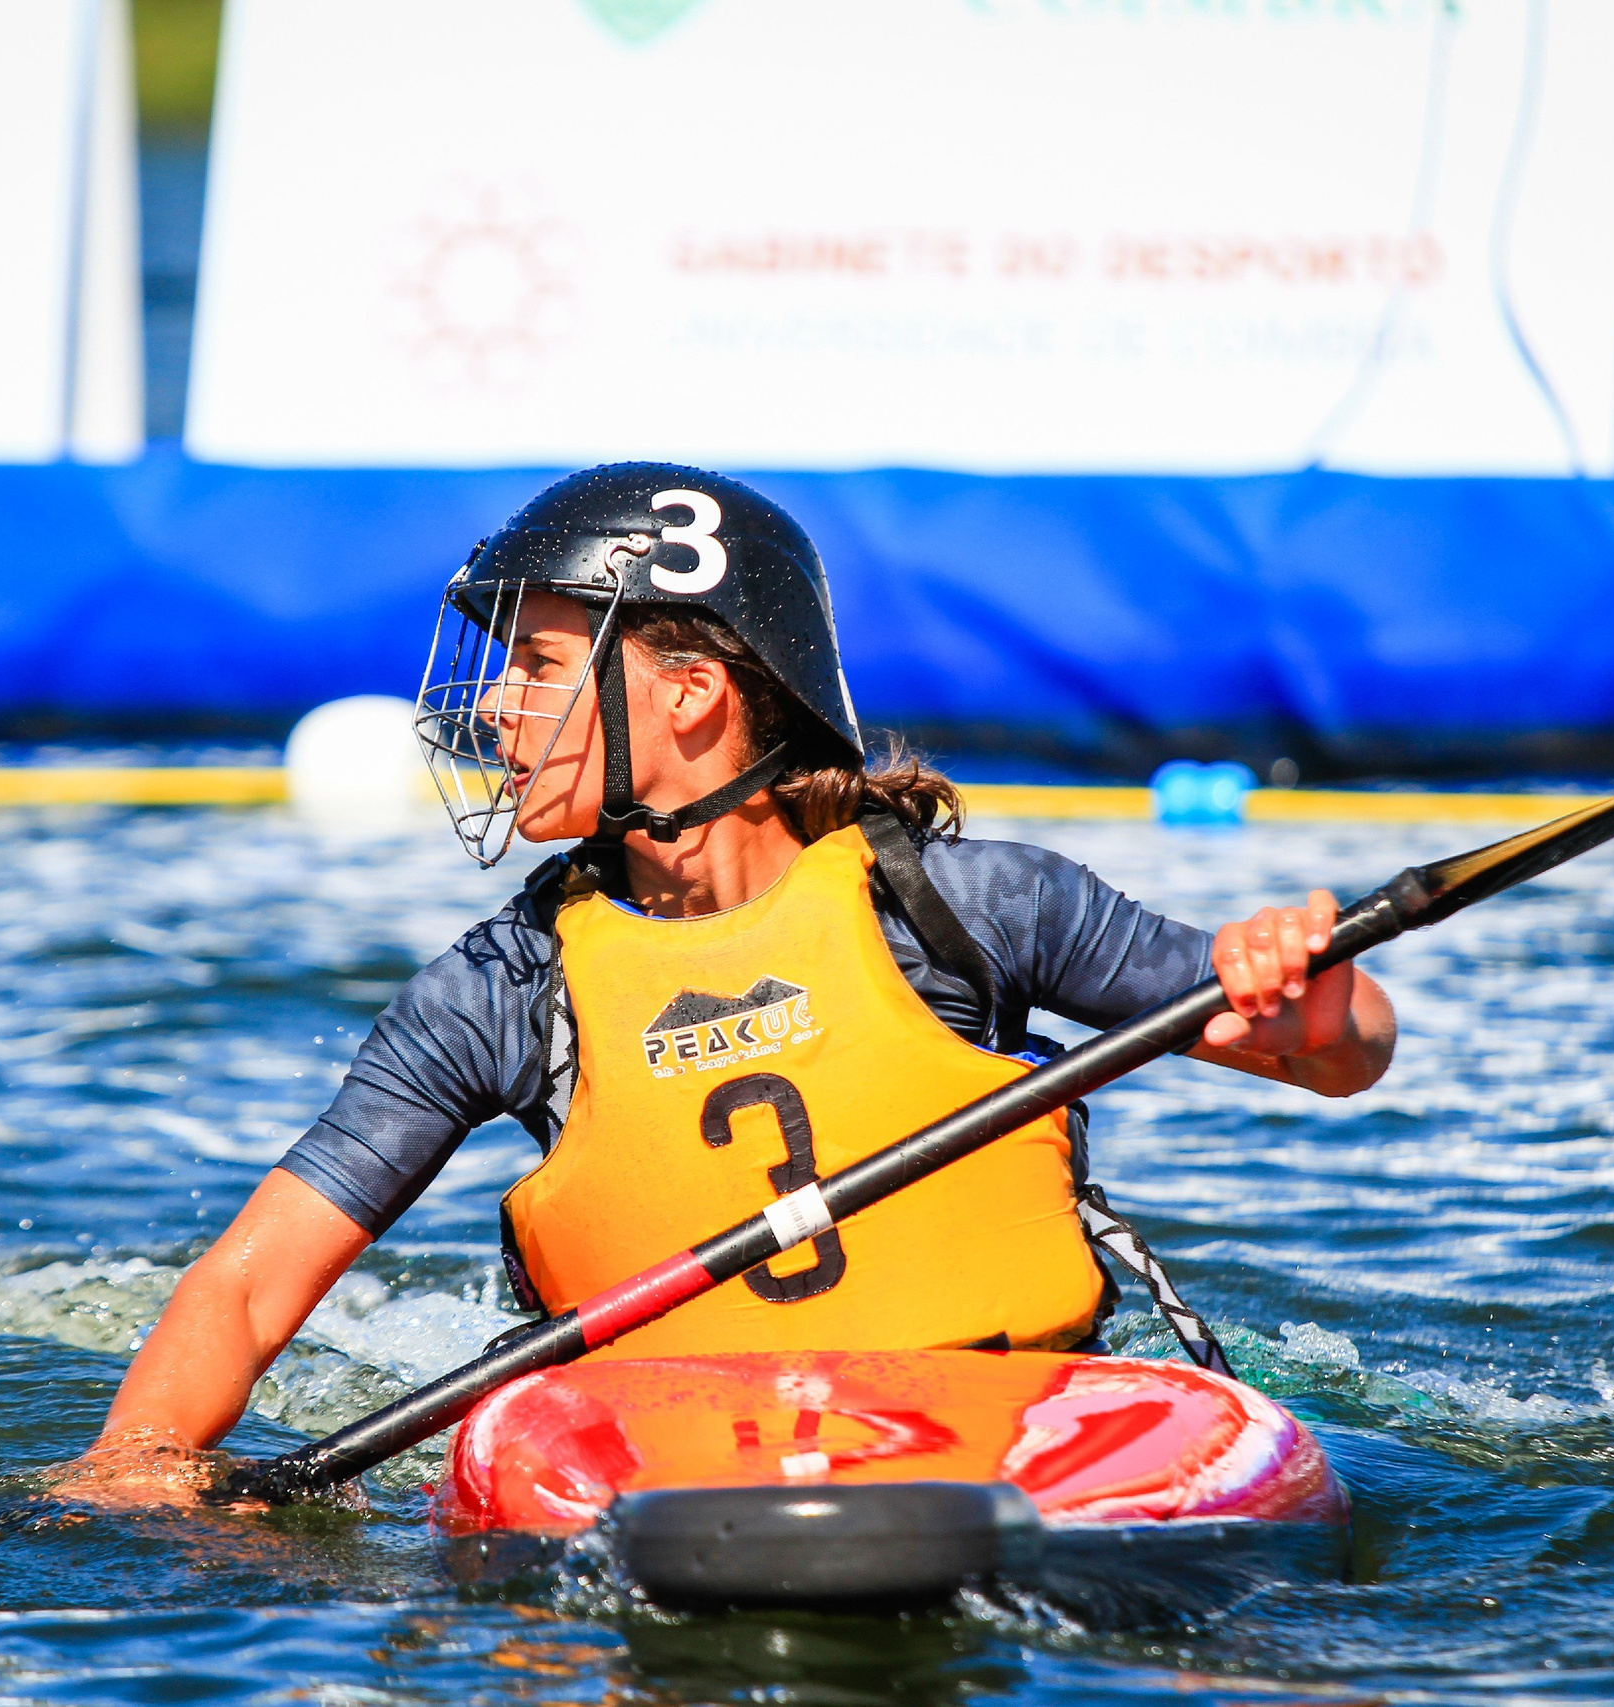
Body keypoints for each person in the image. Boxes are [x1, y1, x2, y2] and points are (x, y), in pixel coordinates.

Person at [69, 464, 1394, 1504]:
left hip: (1016, 1429)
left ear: (694, 695)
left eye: (539, 671)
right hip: (669, 1462)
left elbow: (1337, 1052)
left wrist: (1313, 988)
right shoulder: (504, 987)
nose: (494, 714)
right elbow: (247, 1284)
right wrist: (132, 1467)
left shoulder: (968, 906)